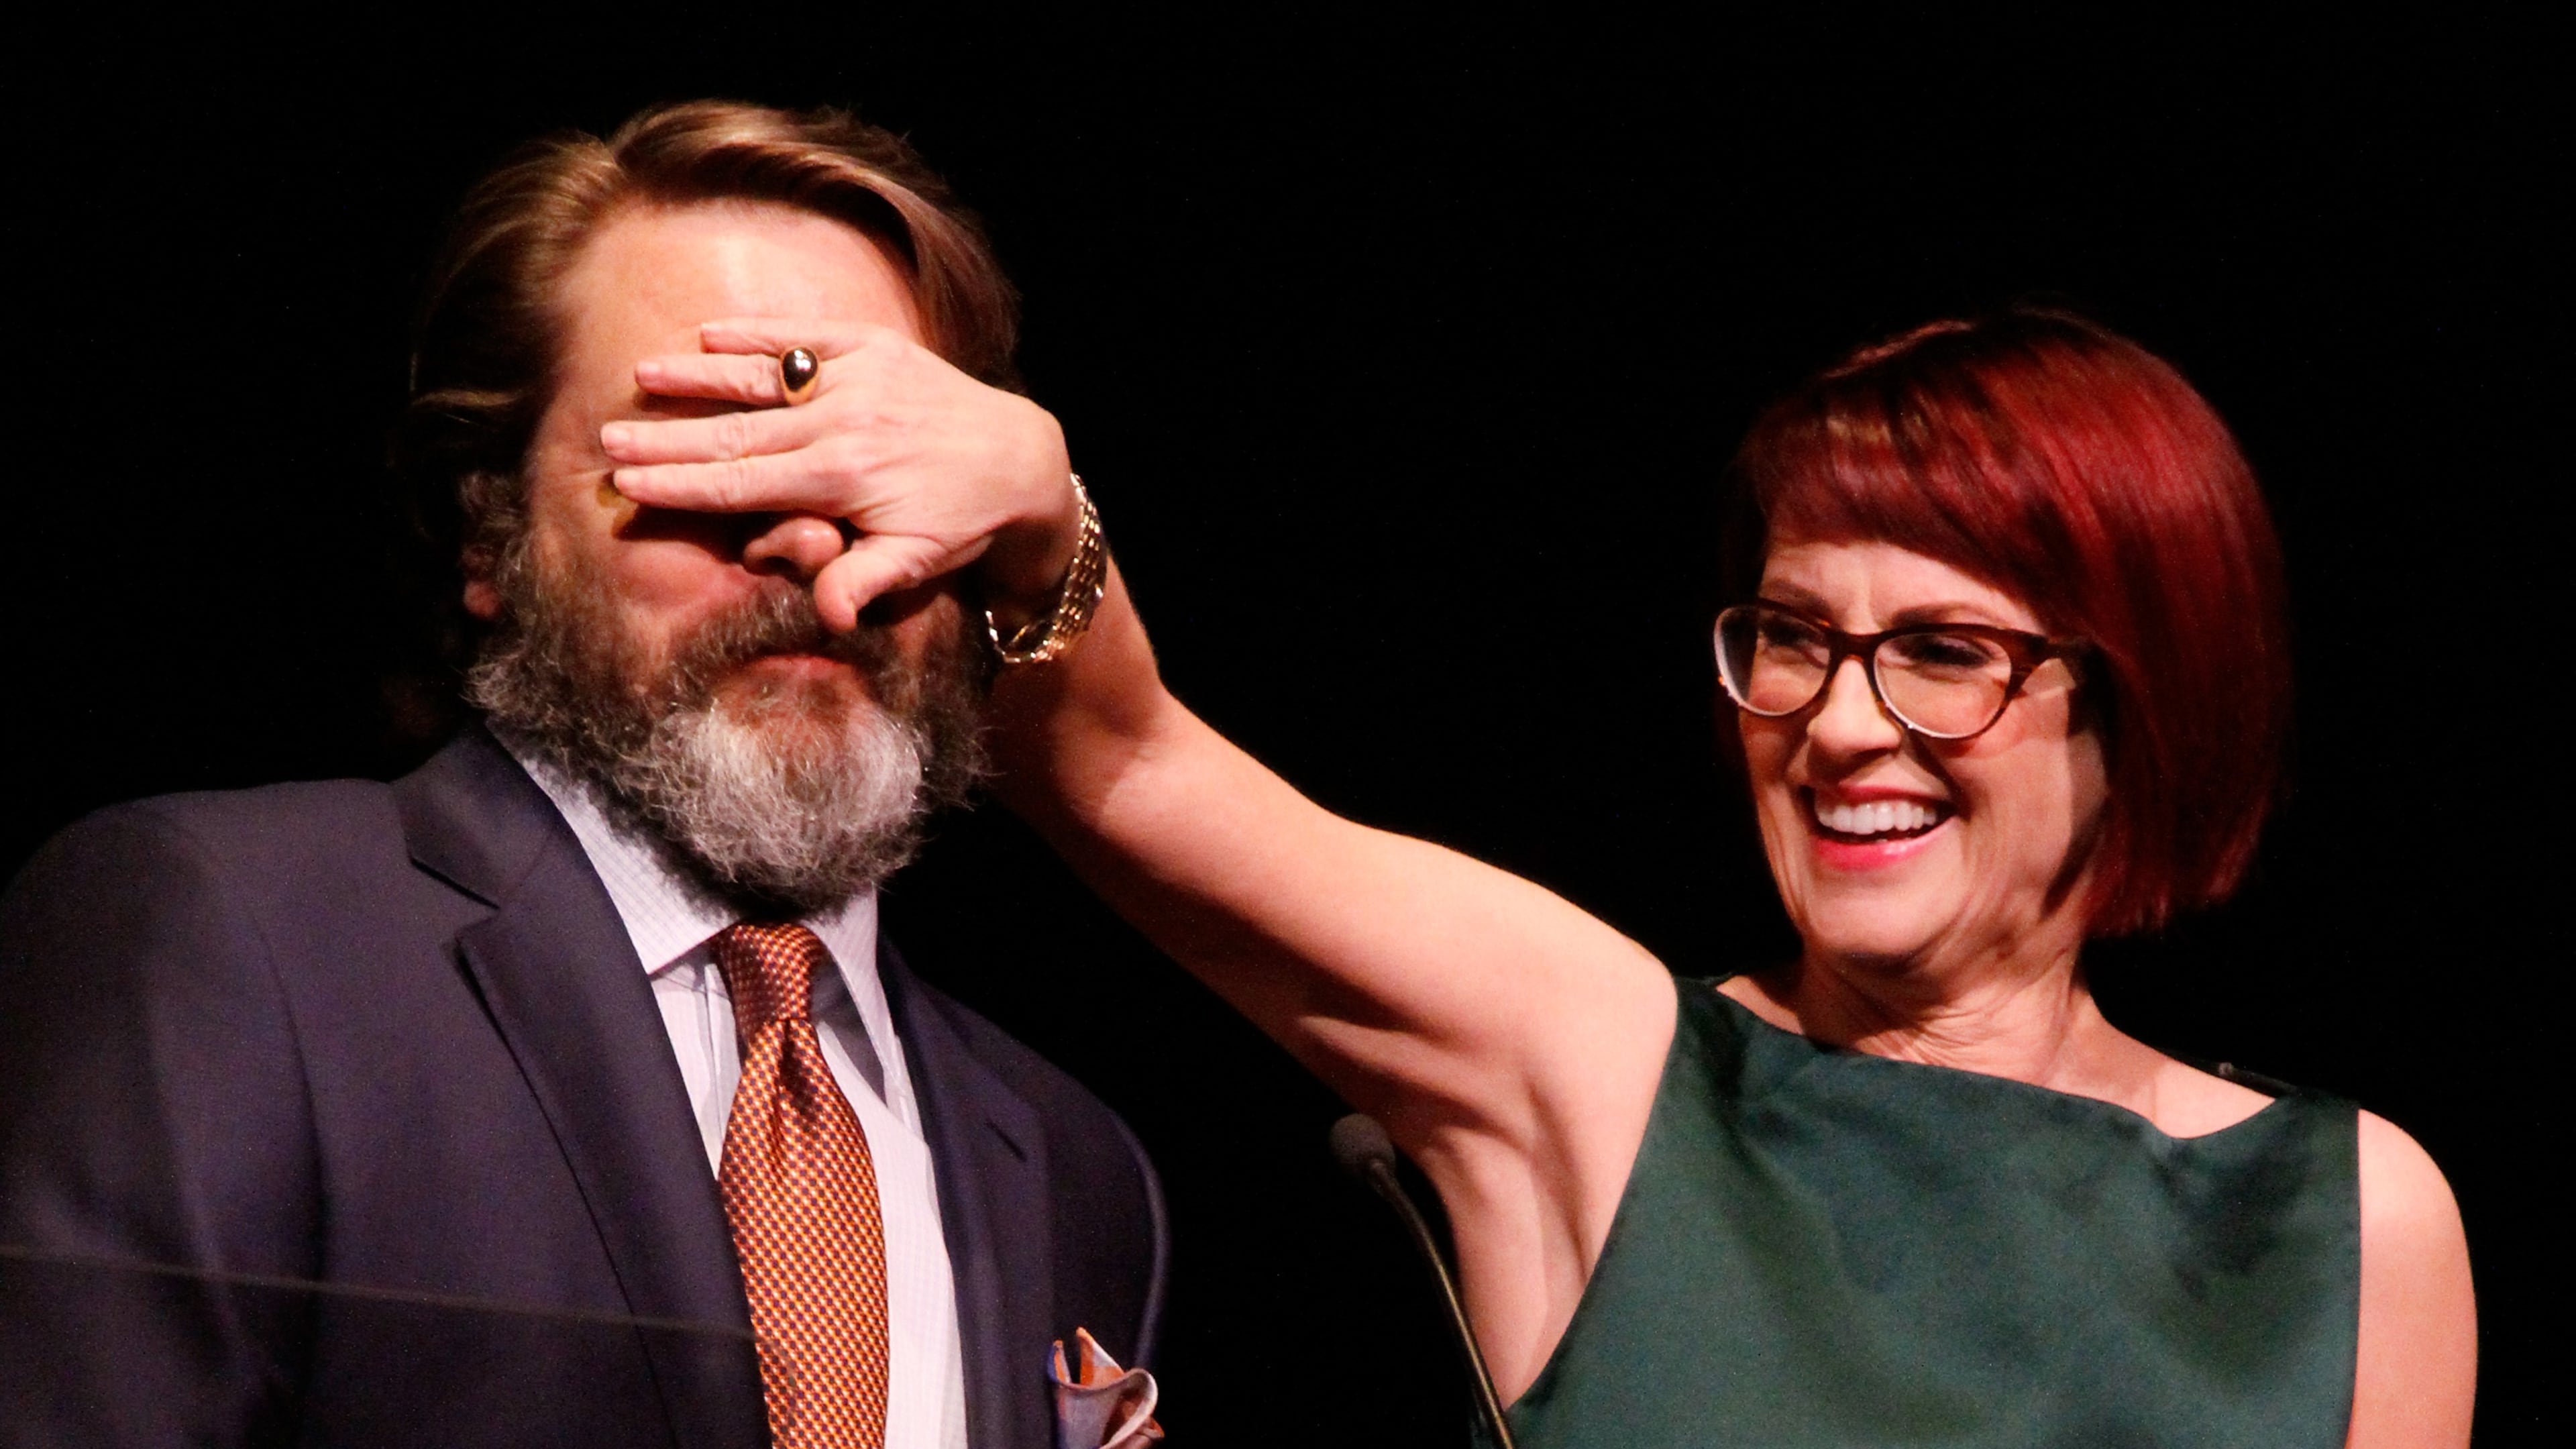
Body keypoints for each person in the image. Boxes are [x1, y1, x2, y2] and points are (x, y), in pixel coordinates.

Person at [602, 309, 2477, 1445]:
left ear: (2135, 704)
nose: (1837, 724)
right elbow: (1134, 761)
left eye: (1947, 651)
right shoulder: (1608, 1066)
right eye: (1794, 635)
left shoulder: (2350, 1219)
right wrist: (1035, 505)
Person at [0, 102, 1163, 1449]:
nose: (803, 538)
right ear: (492, 540)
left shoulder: (1075, 1169)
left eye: (880, 469)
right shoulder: (232, 946)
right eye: (707, 455)